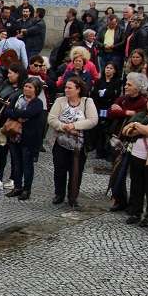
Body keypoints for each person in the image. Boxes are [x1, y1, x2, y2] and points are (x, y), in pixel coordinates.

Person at [48, 78, 99, 208]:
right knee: (59, 169)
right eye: (65, 87)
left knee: (76, 170)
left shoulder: (87, 101)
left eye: (69, 88)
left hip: (79, 144)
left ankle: (73, 196)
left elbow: (93, 120)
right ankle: (59, 194)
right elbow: (51, 119)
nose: (66, 90)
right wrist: (63, 126)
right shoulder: (60, 101)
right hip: (60, 142)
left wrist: (74, 125)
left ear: (78, 89)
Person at [108, 72, 148, 211]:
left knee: (133, 175)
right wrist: (127, 112)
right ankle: (120, 200)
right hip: (117, 140)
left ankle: (133, 205)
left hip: (133, 142)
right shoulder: (123, 98)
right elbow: (111, 112)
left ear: (137, 87)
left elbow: (138, 118)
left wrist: (123, 111)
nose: (125, 86)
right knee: (116, 172)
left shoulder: (143, 101)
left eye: (129, 84)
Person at [3, 78, 46, 200]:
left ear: (36, 90)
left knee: (27, 165)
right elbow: (8, 111)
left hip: (28, 138)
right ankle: (17, 187)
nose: (27, 89)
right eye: (26, 86)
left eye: (30, 87)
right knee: (16, 163)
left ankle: (27, 189)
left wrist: (17, 113)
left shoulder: (38, 102)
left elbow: (29, 114)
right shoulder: (18, 97)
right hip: (14, 136)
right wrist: (19, 114)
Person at [123, 95, 148, 227]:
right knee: (136, 185)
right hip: (137, 154)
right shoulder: (141, 115)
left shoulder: (137, 120)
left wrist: (135, 125)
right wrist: (138, 127)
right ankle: (136, 212)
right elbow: (127, 132)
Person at [91, 62, 123, 162]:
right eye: (107, 67)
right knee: (99, 130)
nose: (108, 69)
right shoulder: (99, 82)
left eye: (111, 68)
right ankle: (99, 151)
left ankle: (108, 152)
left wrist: (106, 99)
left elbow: (114, 97)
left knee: (108, 131)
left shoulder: (117, 82)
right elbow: (94, 95)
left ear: (115, 71)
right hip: (99, 108)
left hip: (109, 109)